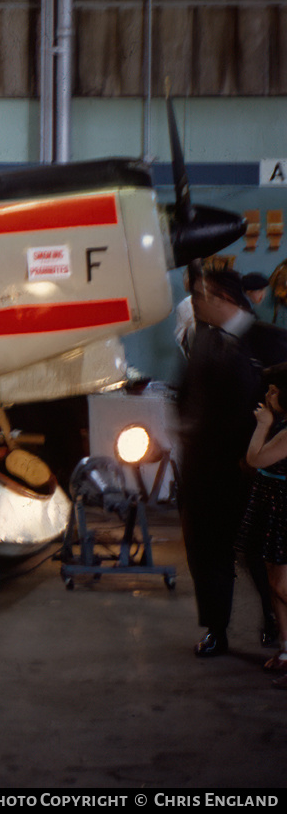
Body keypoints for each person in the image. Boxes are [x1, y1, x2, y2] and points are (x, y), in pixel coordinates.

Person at [177, 269, 287, 657]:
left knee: (262, 553)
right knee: (207, 551)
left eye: (199, 296)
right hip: (205, 472)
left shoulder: (273, 342)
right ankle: (216, 628)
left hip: (258, 471)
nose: (193, 304)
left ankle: (274, 619)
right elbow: (187, 399)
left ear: (223, 296)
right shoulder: (201, 340)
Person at [242, 363, 287, 687]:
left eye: (274, 391)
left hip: (283, 506)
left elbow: (255, 460)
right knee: (273, 579)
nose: (268, 395)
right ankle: (286, 649)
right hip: (271, 502)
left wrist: (262, 425)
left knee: (281, 586)